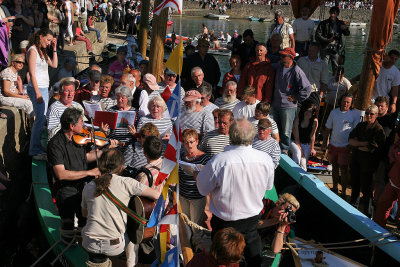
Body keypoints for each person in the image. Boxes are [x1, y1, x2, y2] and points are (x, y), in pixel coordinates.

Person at [197, 118, 275, 266]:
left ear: (230, 136)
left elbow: (202, 189)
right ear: (252, 137)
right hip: (251, 224)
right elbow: (268, 187)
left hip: (224, 227)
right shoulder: (265, 160)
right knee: (254, 263)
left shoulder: (219, 161)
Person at [81, 148, 159, 266]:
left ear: (101, 165)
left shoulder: (88, 187)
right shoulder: (127, 183)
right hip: (115, 245)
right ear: (121, 166)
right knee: (131, 230)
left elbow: (84, 214)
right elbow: (157, 195)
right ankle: (131, 263)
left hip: (89, 242)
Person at [47, 107, 117, 238]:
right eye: (80, 121)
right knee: (68, 227)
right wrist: (89, 172)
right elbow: (61, 174)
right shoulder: (55, 144)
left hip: (82, 189)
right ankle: (67, 249)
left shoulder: (78, 139)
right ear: (72, 126)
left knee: (84, 224)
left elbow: (85, 158)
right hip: (66, 192)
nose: (83, 124)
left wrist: (106, 150)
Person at [271, 47, 311, 151]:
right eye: (281, 55)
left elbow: (307, 88)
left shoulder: (297, 71)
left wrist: (297, 97)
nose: (281, 57)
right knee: (272, 128)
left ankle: (284, 151)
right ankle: (272, 149)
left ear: (290, 58)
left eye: (284, 56)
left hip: (288, 106)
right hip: (275, 104)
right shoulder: (278, 67)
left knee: (285, 131)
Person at [349, 104, 385, 215]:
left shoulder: (378, 129)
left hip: (368, 165)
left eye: (371, 114)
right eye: (367, 113)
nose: (368, 115)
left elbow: (370, 148)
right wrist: (363, 144)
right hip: (356, 161)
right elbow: (350, 140)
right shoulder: (361, 125)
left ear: (376, 115)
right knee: (355, 186)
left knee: (366, 190)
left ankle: (368, 214)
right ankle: (352, 208)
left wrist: (357, 145)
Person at [27, 28, 57, 159]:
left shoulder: (42, 52)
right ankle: (34, 149)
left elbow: (54, 65)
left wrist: (54, 48)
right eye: (48, 40)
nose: (49, 43)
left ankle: (37, 146)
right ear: (40, 37)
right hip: (37, 88)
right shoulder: (32, 51)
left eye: (51, 41)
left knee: (41, 118)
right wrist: (38, 93)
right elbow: (32, 73)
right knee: (40, 119)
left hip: (45, 88)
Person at [322, 93, 359, 196]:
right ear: (340, 101)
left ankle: (343, 191)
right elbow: (327, 128)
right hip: (333, 145)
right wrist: (325, 143)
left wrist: (351, 146)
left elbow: (356, 132)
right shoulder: (334, 112)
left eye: (348, 102)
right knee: (334, 167)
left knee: (343, 170)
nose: (345, 103)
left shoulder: (354, 114)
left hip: (345, 147)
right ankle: (334, 188)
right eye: (344, 101)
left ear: (351, 104)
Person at [179, 129, 211, 235]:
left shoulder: (205, 158)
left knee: (195, 226)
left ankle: (196, 247)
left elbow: (210, 179)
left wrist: (199, 177)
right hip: (183, 195)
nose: (189, 145)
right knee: (185, 223)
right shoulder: (181, 157)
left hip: (197, 197)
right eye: (186, 143)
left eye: (191, 142)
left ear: (197, 141)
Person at [102, 86, 140, 166]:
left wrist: (134, 133)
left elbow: (139, 133)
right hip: (114, 144)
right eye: (118, 97)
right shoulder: (111, 111)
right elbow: (108, 133)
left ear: (128, 98)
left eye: (123, 98)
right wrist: (105, 131)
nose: (119, 100)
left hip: (130, 145)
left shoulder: (135, 112)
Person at [258, 193, 300, 264]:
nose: (284, 214)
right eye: (285, 210)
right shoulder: (265, 205)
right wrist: (273, 221)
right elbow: (250, 225)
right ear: (277, 203)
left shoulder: (284, 225)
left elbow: (276, 250)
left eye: (288, 213)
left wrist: (281, 227)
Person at [374, 131, 400, 229]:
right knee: (382, 205)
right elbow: (392, 152)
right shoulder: (396, 145)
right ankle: (377, 228)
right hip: (393, 182)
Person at [315, 6, 350, 74]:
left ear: (337, 14)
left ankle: (335, 83)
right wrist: (328, 40)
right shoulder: (323, 23)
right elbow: (317, 36)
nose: (332, 15)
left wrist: (345, 29)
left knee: (336, 68)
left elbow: (347, 34)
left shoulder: (341, 23)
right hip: (325, 48)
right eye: (331, 13)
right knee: (323, 67)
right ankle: (323, 83)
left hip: (336, 48)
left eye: (334, 13)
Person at [0, 54, 33, 119]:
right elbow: (6, 91)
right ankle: (34, 127)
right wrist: (21, 96)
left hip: (9, 96)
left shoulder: (14, 72)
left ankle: (32, 125)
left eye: (23, 63)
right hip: (3, 98)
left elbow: (13, 88)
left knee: (31, 99)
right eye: (19, 62)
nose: (21, 64)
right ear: (13, 63)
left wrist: (21, 93)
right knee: (28, 104)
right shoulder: (7, 72)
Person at [288, 102, 318, 171]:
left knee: (304, 162)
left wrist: (312, 148)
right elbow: (296, 138)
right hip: (294, 141)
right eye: (307, 110)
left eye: (310, 111)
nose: (308, 113)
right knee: (297, 153)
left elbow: (312, 136)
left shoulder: (314, 121)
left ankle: (302, 177)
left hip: (305, 143)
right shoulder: (298, 119)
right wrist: (302, 152)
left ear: (313, 113)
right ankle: (293, 172)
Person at [297, 42, 329, 107]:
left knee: (312, 113)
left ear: (318, 52)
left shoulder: (323, 65)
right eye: (309, 50)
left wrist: (320, 96)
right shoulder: (301, 61)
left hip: (314, 93)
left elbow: (324, 83)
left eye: (313, 51)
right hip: (301, 92)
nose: (310, 52)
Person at [371, 49, 400, 113]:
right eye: (392, 58)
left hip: (384, 100)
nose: (393, 61)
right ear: (387, 57)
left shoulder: (396, 72)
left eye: (396, 59)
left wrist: (393, 103)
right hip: (371, 98)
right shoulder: (377, 65)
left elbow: (395, 89)